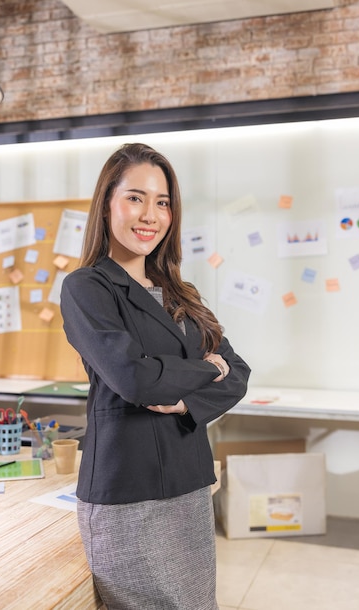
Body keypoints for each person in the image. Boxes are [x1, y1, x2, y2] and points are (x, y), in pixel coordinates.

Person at [60, 142, 251, 610]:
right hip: (127, 494)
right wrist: (206, 369)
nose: (150, 214)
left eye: (162, 202)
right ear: (107, 204)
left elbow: (239, 372)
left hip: (189, 483)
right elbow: (134, 379)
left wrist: (186, 400)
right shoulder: (86, 288)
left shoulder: (179, 292)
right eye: (135, 197)